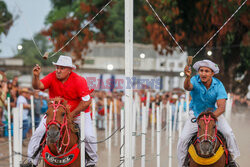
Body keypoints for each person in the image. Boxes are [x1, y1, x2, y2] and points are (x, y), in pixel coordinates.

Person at [26, 55, 97, 167]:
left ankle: (92, 162)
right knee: (39, 132)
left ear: (69, 70)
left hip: (79, 114)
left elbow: (86, 102)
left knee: (88, 136)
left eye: (62, 68)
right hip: (56, 113)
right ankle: (32, 161)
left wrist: (71, 115)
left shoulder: (79, 80)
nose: (58, 70)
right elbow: (38, 86)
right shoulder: (52, 76)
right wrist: (36, 77)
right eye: (57, 67)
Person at [177, 59, 240, 167]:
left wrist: (210, 118)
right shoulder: (193, 80)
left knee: (229, 133)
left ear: (212, 73)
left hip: (214, 114)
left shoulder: (219, 85)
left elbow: (221, 107)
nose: (203, 73)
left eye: (206, 71)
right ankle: (182, 164)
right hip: (196, 115)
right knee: (183, 139)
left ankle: (231, 160)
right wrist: (187, 77)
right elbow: (187, 87)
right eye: (201, 70)